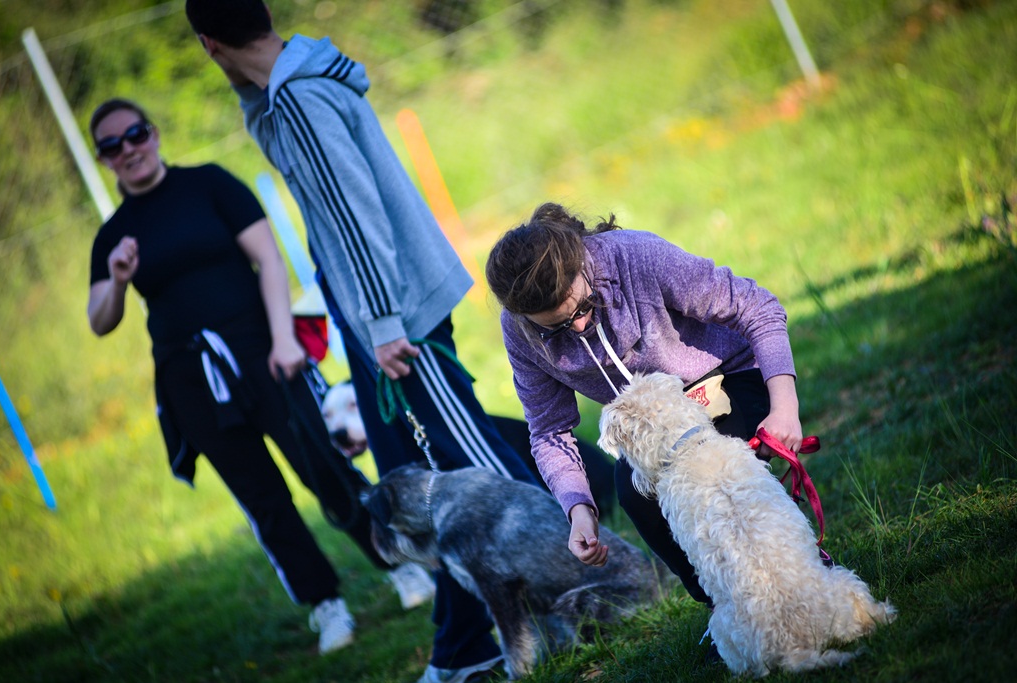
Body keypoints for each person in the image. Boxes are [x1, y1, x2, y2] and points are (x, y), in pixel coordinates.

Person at [183, 3, 540, 681]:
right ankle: (467, 646)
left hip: (395, 316)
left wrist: (381, 325)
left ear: (209, 44)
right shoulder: (293, 86)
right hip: (370, 312)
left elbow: (355, 221)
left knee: (473, 454)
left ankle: (586, 577)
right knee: (412, 482)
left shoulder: (300, 100)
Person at [85, 98, 436, 657]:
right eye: (112, 144)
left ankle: (400, 567)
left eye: (134, 134)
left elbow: (270, 259)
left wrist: (282, 338)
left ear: (152, 132)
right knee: (260, 496)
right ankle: (326, 604)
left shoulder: (208, 185)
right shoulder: (114, 237)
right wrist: (119, 279)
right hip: (189, 377)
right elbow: (100, 319)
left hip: (265, 350)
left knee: (324, 461)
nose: (128, 149)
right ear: (103, 159)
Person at [485, 202, 804, 646]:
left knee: (714, 470)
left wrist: (783, 407)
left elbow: (758, 308)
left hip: (726, 378)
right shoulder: (520, 330)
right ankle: (729, 609)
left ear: (581, 263)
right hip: (653, 419)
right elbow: (549, 431)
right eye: (555, 329)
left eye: (585, 309)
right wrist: (578, 509)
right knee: (635, 495)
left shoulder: (637, 257)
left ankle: (796, 571)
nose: (577, 328)